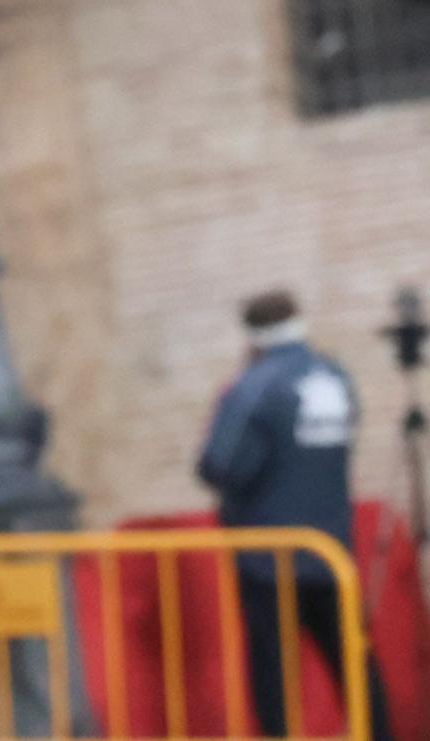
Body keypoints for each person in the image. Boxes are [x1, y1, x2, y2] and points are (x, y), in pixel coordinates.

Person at [198, 291, 394, 741]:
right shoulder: (335, 377)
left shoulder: (255, 385)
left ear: (253, 337)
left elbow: (220, 463)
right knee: (355, 665)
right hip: (331, 550)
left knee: (274, 677)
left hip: (269, 557)